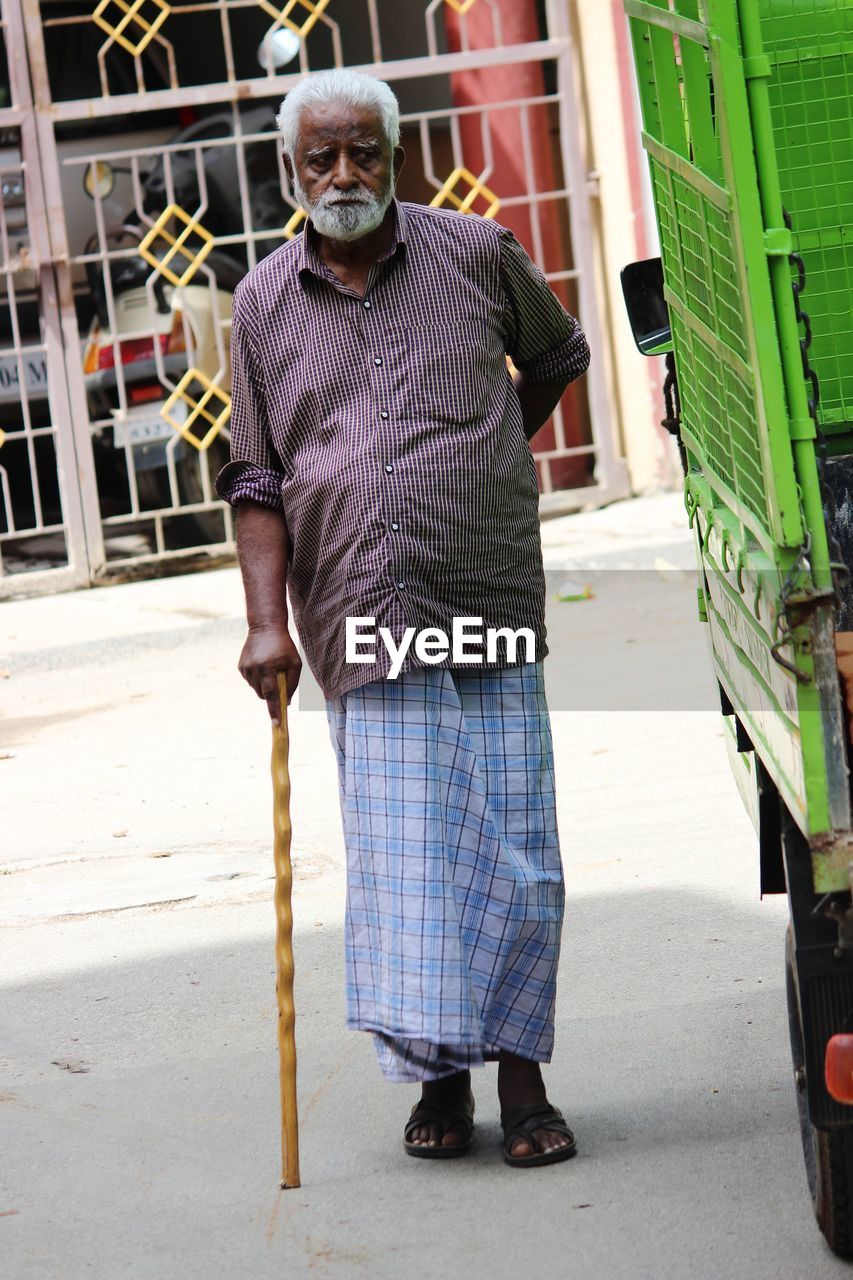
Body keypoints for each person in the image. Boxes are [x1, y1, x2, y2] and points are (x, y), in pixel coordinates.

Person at [216, 67, 590, 1167]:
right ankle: (440, 1079)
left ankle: (523, 1085)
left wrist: (486, 455)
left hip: (478, 589)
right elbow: (256, 477)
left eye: (363, 152)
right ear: (292, 174)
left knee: (513, 848)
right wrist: (262, 622)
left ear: (395, 155)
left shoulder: (475, 252)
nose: (345, 174)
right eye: (321, 157)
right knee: (407, 852)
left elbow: (558, 354)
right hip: (354, 608)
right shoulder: (261, 305)